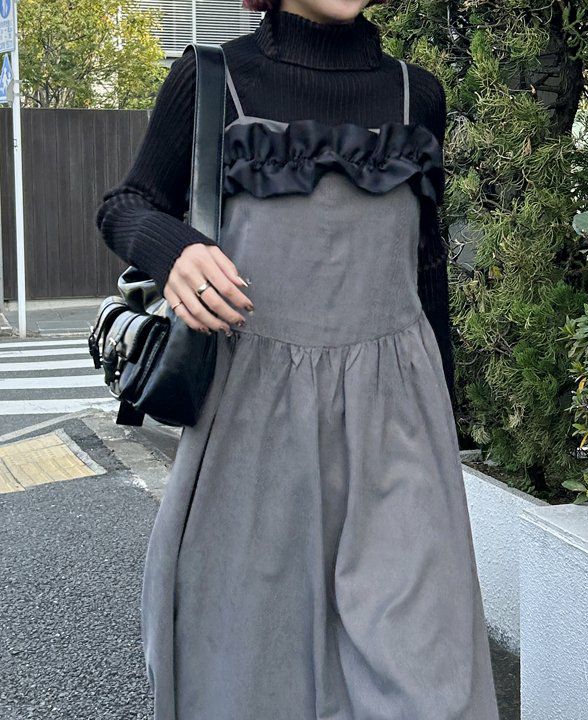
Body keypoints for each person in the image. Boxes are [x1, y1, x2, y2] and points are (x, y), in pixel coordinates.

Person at [95, 2, 501, 719]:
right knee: (251, 676)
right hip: (252, 420)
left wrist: (447, 423)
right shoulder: (212, 78)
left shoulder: (418, 95)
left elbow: (426, 265)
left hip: (397, 431)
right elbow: (125, 205)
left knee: (429, 677)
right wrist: (174, 250)